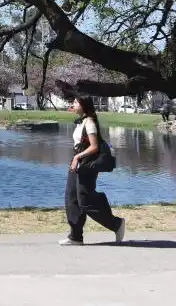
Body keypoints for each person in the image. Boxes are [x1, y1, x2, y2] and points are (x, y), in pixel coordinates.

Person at [61, 96, 126, 246]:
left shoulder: (89, 122)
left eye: (76, 102)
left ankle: (116, 224)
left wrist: (77, 157)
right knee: (72, 198)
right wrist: (75, 159)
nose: (73, 104)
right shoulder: (82, 121)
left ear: (83, 105)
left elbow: (94, 147)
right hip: (77, 164)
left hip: (87, 165)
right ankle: (76, 236)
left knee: (85, 200)